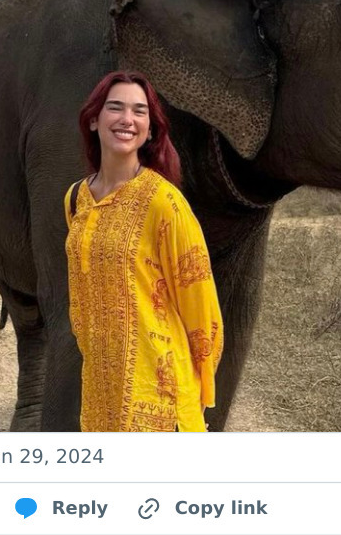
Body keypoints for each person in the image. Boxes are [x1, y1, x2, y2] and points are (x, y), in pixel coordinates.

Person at [65, 70, 224, 432]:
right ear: (93, 119)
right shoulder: (76, 199)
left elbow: (202, 311)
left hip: (159, 401)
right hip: (100, 394)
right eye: (115, 108)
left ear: (150, 130)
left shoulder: (165, 203)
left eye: (139, 111)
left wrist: (195, 395)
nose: (126, 120)